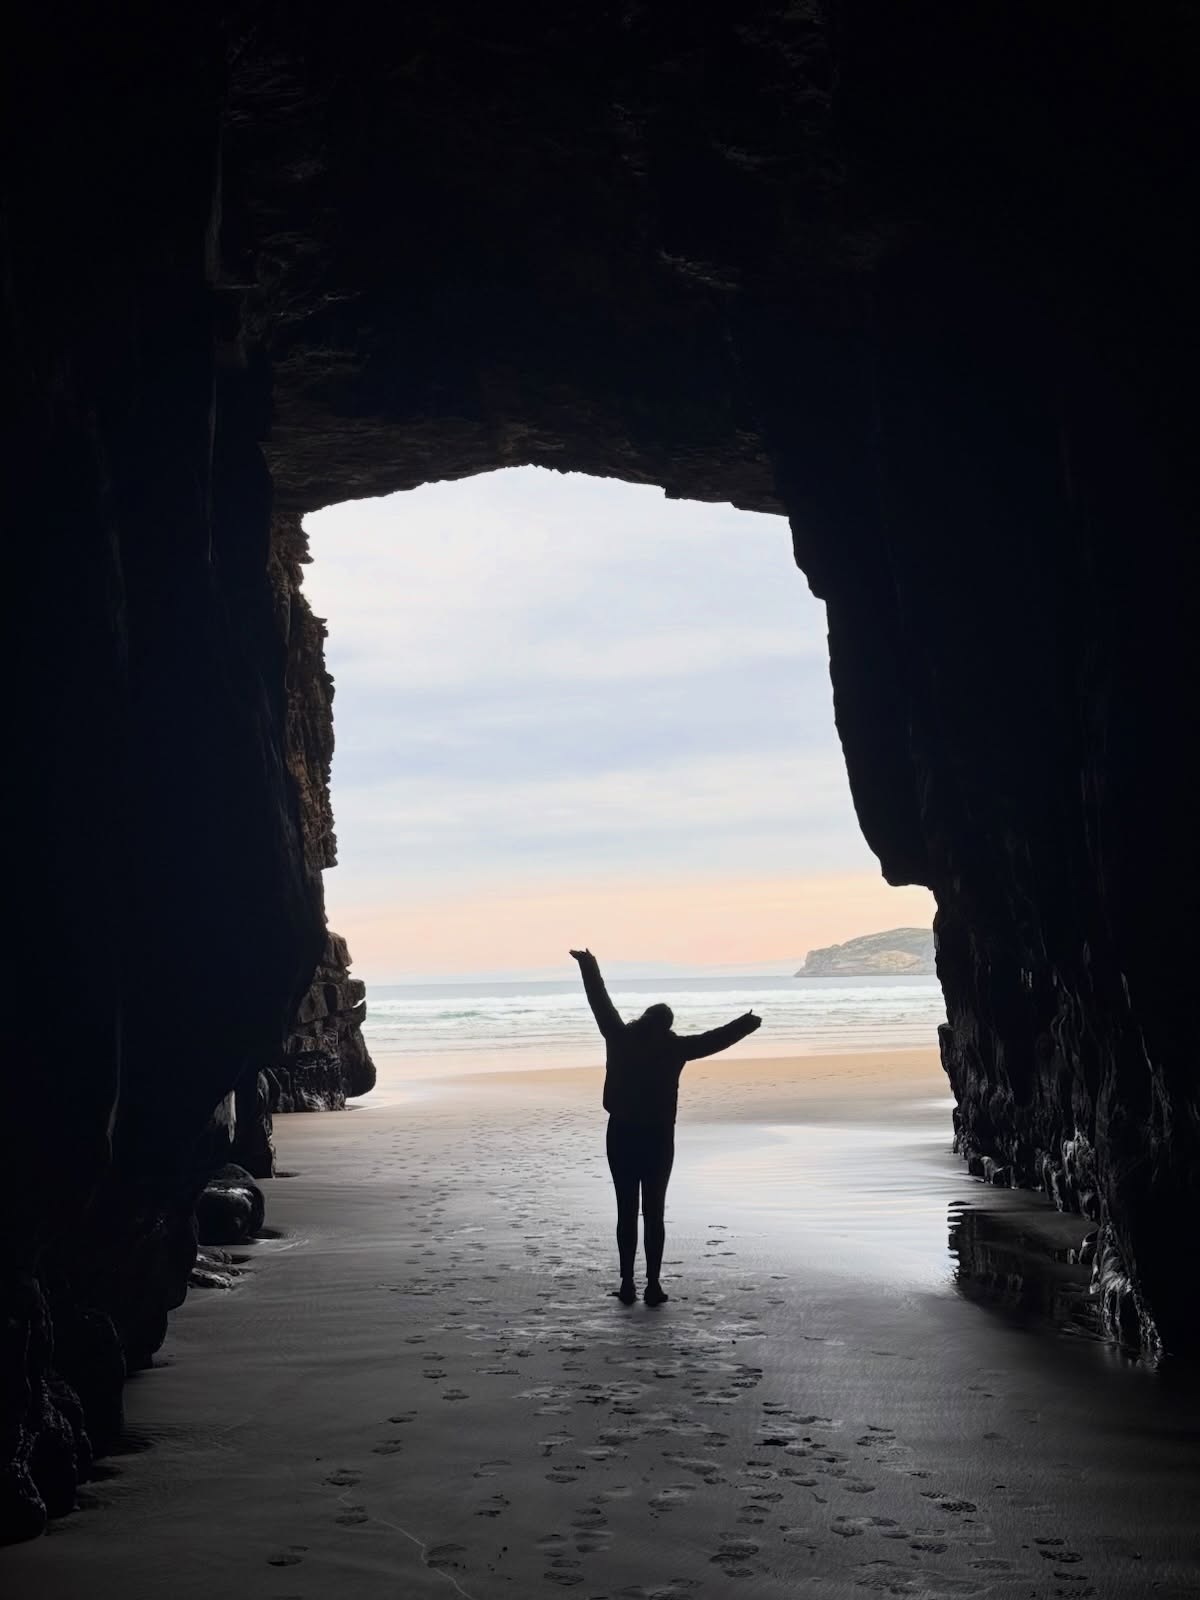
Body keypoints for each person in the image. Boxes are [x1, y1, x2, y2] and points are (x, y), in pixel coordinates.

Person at [569, 948, 762, 1307]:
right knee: (654, 1211)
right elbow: (716, 1039)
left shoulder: (619, 1037)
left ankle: (627, 1284)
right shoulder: (676, 1048)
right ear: (668, 1026)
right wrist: (747, 1024)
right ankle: (653, 1286)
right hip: (658, 1138)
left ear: (643, 1018)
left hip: (622, 1133)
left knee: (625, 1209)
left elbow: (600, 1002)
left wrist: (589, 964)